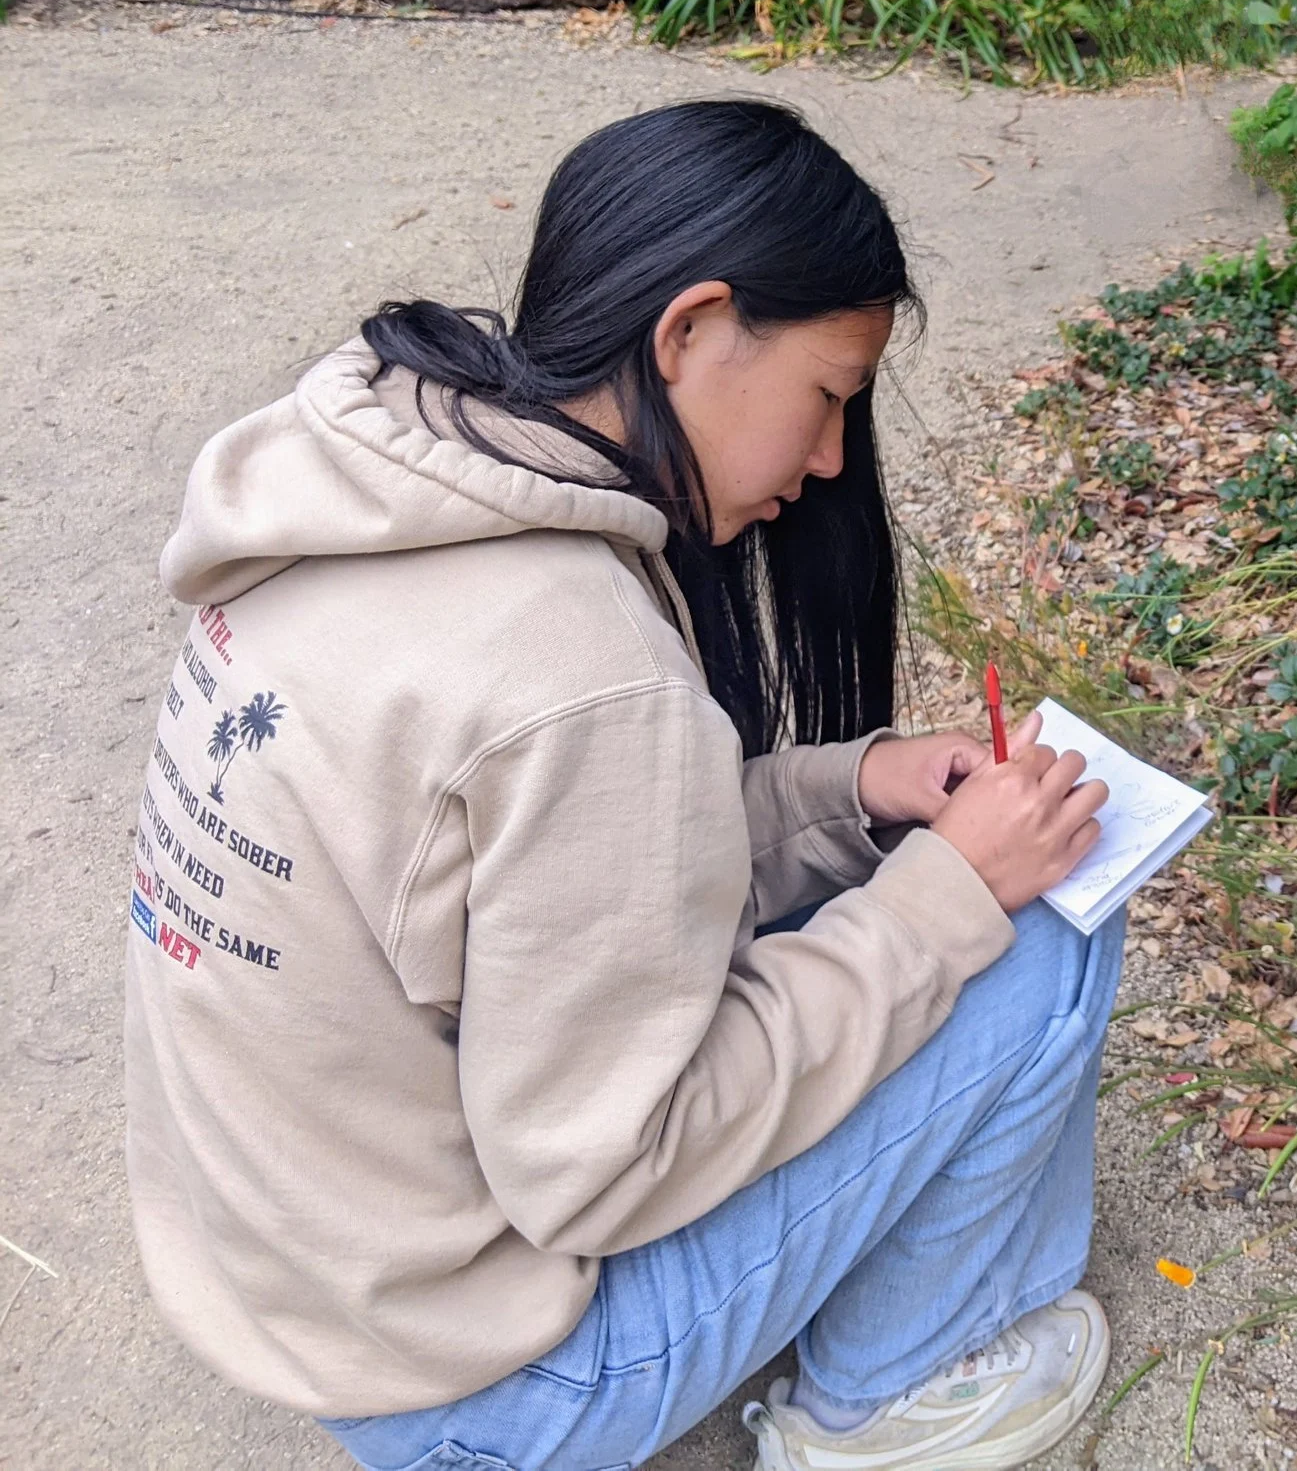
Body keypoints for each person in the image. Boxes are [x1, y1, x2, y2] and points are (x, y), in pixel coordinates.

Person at [126, 99, 1125, 1471]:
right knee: (1055, 929)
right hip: (495, 1393)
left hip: (309, 1285)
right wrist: (945, 899)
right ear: (690, 329)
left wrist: (853, 792)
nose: (832, 459)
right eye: (829, 395)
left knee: (936, 886)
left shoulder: (376, 476)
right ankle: (888, 1402)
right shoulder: (582, 668)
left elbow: (554, 885)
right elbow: (605, 1165)